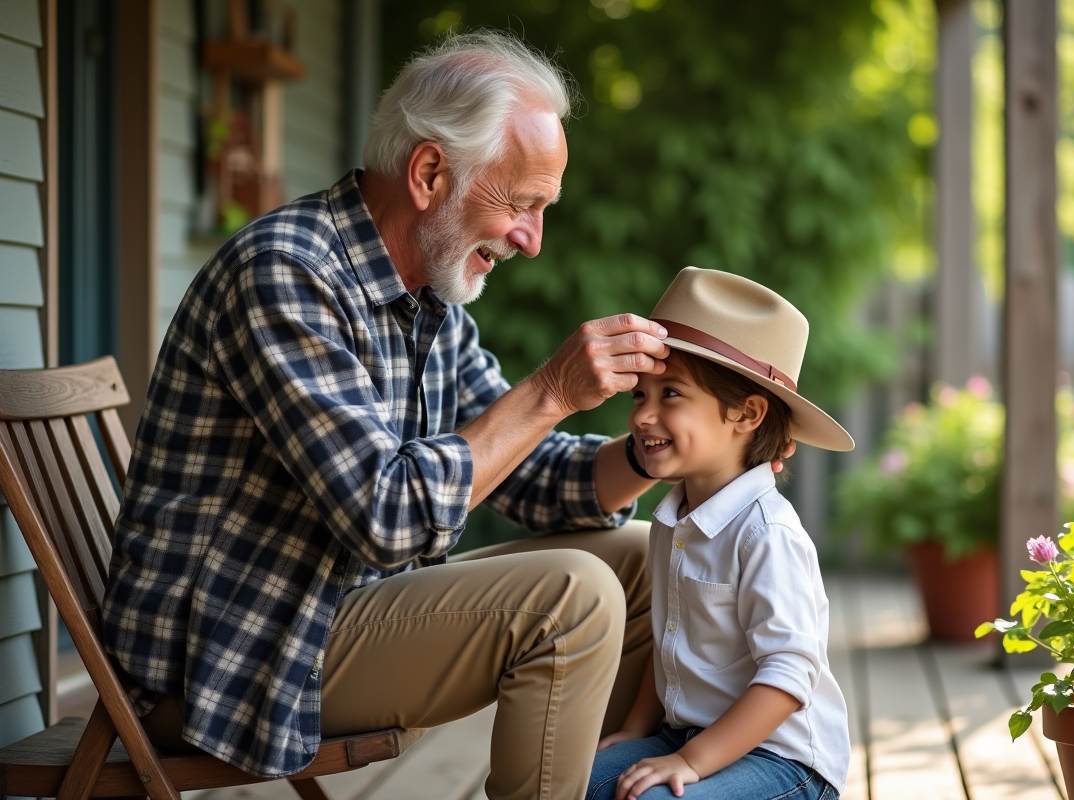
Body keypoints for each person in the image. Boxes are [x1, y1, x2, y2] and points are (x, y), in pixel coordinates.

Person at [101, 31, 673, 800]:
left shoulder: (428, 299)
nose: (532, 241)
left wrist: (649, 449)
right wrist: (551, 391)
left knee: (639, 558)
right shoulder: (286, 273)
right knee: (571, 595)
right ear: (430, 172)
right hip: (229, 659)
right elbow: (386, 516)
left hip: (335, 611)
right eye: (522, 203)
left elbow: (525, 472)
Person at [587, 267, 855, 800]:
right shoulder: (672, 520)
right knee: (574, 784)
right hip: (685, 733)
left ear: (746, 412)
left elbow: (787, 676)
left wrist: (688, 761)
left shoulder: (766, 534)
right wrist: (637, 732)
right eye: (640, 396)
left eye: (672, 395)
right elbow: (671, 645)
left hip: (783, 759)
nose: (643, 417)